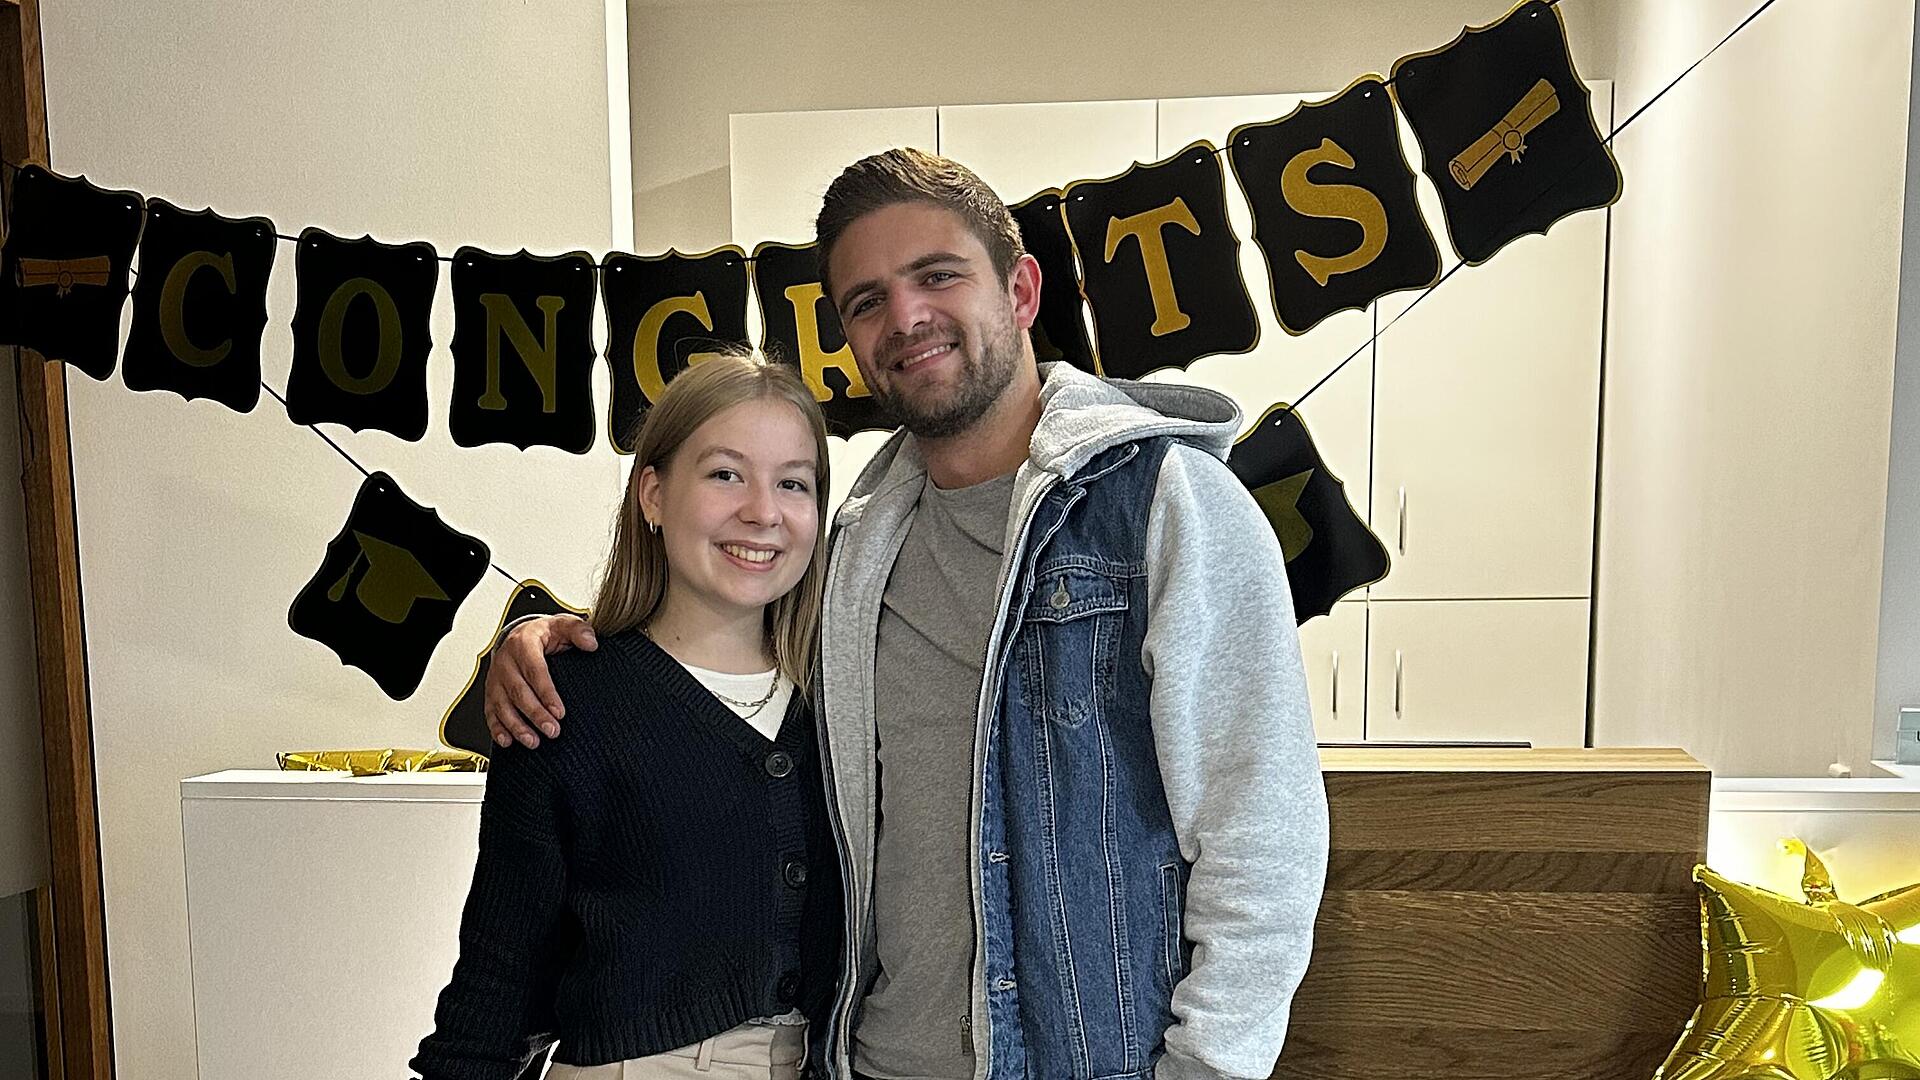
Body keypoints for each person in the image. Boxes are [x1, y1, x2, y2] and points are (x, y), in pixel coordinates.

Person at [487, 149, 1329, 1080]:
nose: (905, 319)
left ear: (1019, 289)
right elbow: (708, 652)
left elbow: (1262, 845)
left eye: (936, 276)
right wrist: (542, 646)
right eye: (865, 301)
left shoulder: (1174, 505)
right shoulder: (856, 545)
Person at [412, 350, 842, 1080]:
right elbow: (497, 979)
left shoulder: (846, 697)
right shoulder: (562, 700)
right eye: (725, 474)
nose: (763, 512)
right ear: (652, 492)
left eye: (793, 483)